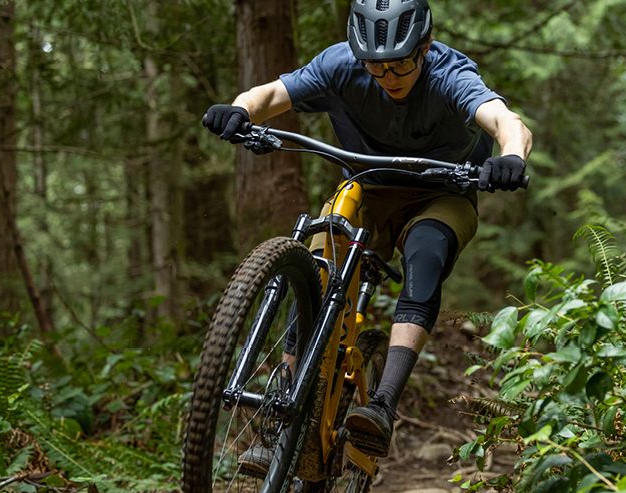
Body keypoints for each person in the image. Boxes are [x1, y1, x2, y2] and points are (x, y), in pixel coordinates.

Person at [201, 0, 532, 468]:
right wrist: (238, 110)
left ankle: (382, 405)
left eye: (400, 64)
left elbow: (505, 121)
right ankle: (277, 423)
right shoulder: (340, 65)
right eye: (376, 67)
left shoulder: (450, 73)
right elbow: (272, 95)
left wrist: (512, 156)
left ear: (425, 48)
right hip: (366, 187)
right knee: (318, 265)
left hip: (441, 193)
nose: (388, 76)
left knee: (426, 252)